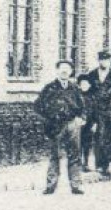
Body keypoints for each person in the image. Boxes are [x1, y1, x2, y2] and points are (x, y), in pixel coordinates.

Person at [36, 59, 87, 195]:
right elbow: (38, 107)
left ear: (71, 72)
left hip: (72, 124)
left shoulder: (75, 89)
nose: (64, 71)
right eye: (62, 68)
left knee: (75, 155)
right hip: (56, 126)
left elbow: (83, 107)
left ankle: (76, 185)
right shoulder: (49, 88)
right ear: (57, 71)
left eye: (67, 69)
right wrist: (47, 121)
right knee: (55, 155)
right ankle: (51, 185)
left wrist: (81, 119)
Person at [79, 51, 111, 178]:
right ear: (99, 61)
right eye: (102, 60)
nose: (104, 62)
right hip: (97, 110)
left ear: (110, 61)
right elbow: (85, 88)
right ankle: (100, 165)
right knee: (99, 137)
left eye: (107, 60)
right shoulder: (92, 74)